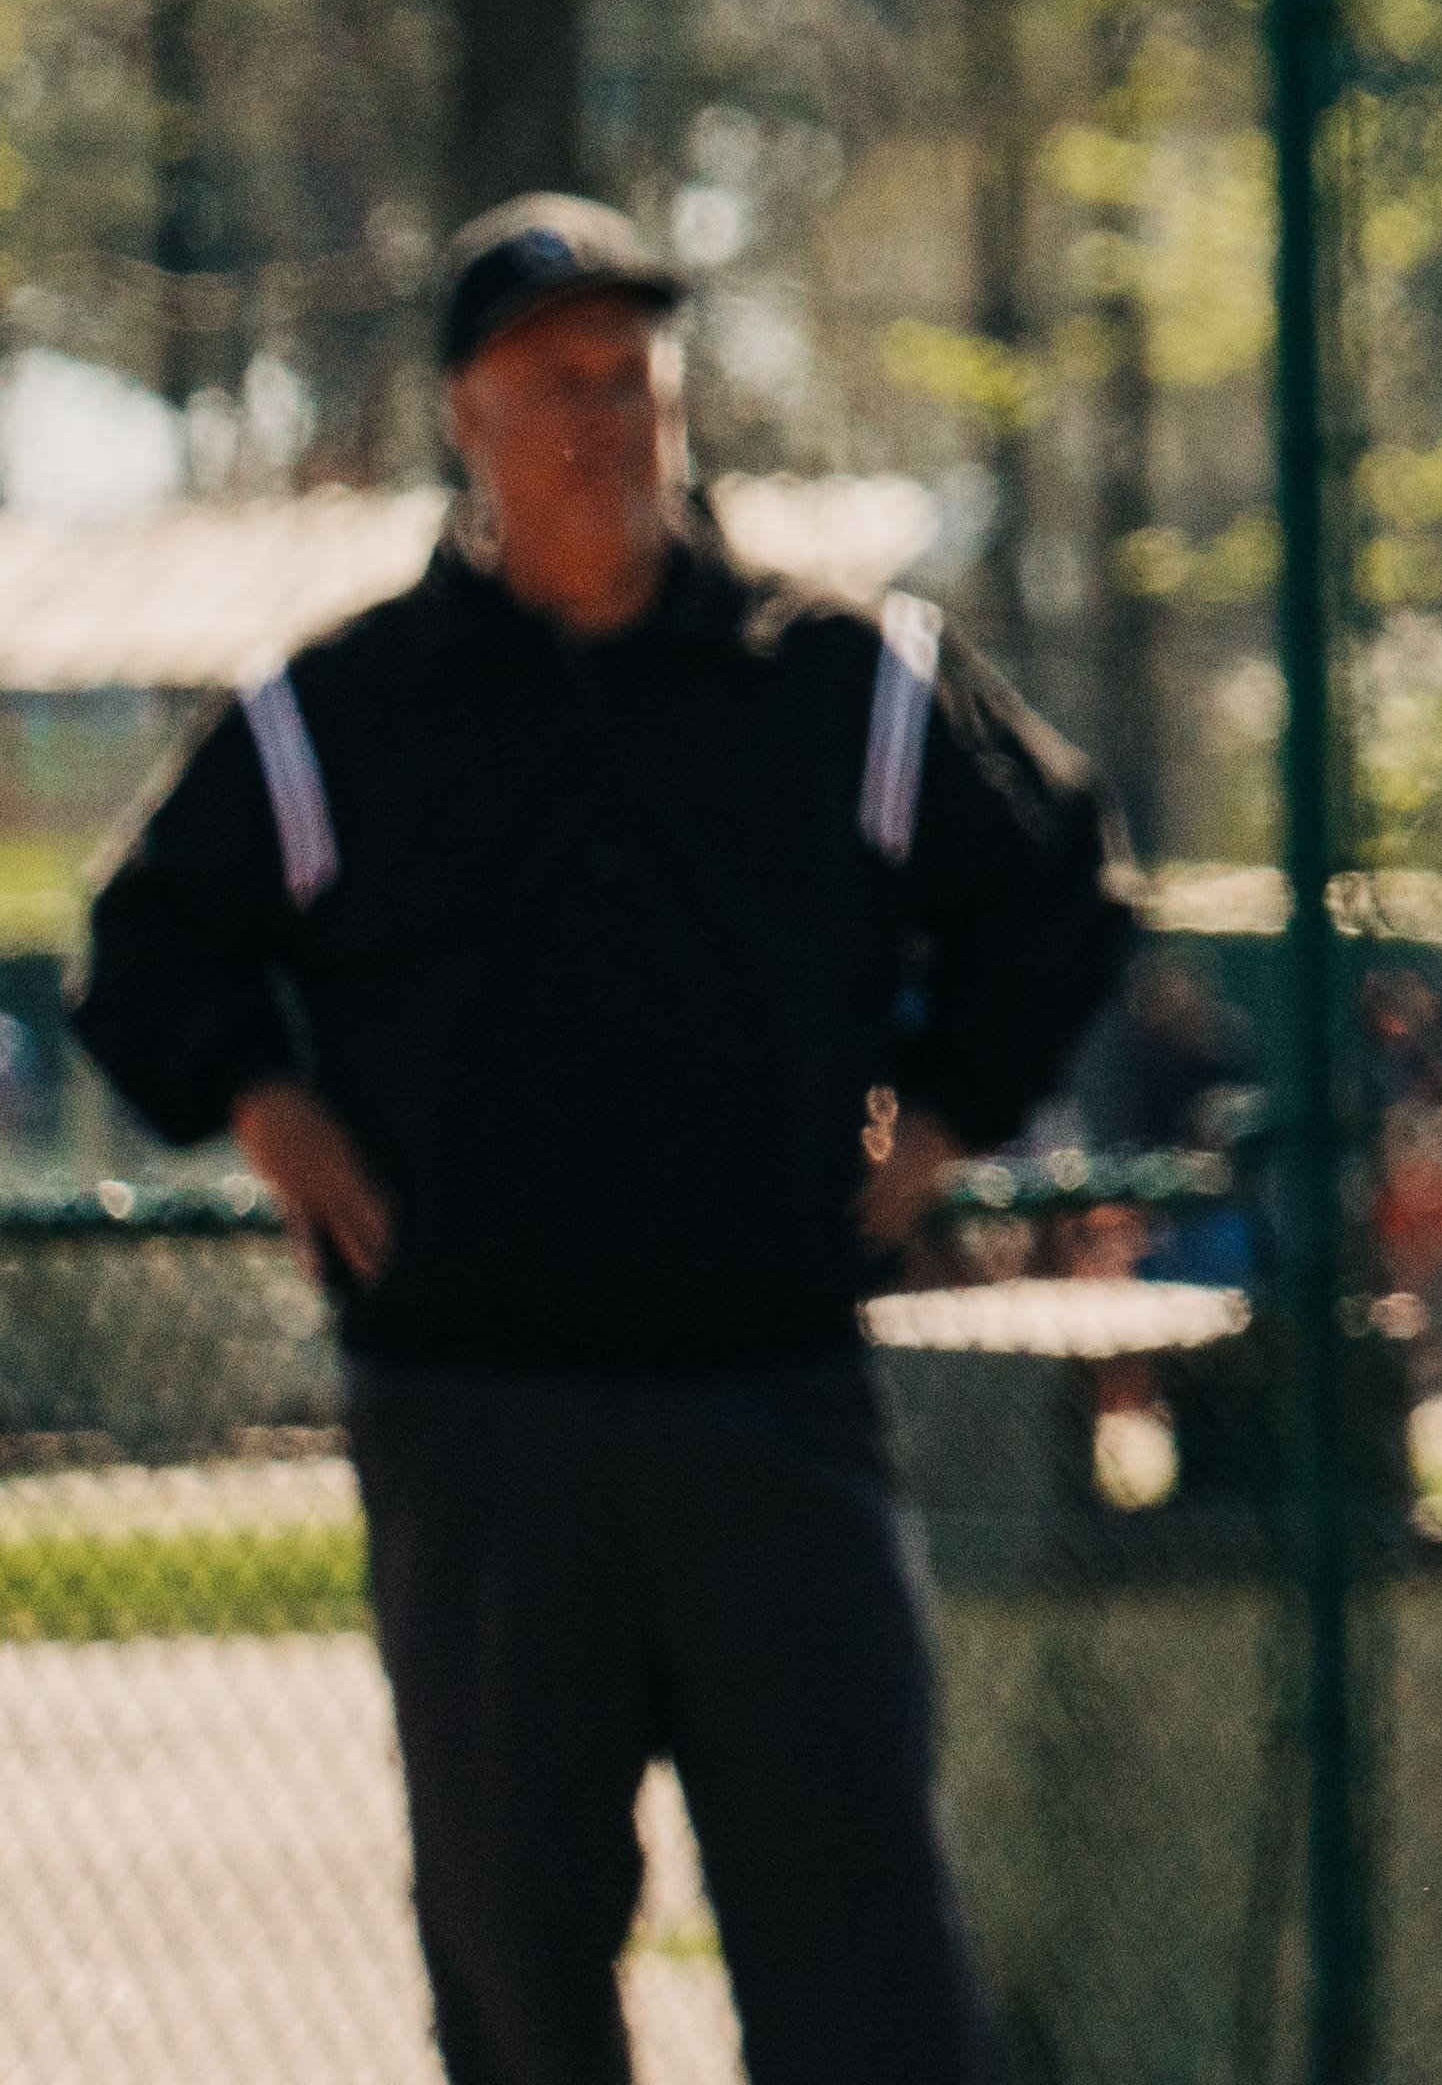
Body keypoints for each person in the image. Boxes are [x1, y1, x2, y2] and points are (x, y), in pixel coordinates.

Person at [74, 195, 1135, 2085]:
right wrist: (264, 1092)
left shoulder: (842, 685)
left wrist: (944, 1106)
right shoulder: (342, 718)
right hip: (478, 1420)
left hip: (769, 1396)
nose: (601, 411)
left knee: (861, 1934)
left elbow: (1056, 883)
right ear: (463, 415)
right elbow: (147, 943)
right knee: (516, 1940)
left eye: (630, 371)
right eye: (552, 376)